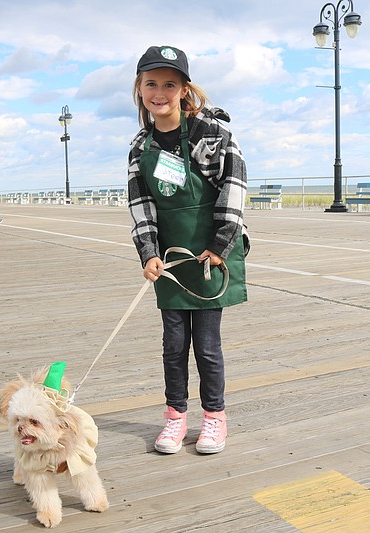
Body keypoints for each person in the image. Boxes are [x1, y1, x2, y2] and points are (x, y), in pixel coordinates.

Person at [127, 45, 249, 455]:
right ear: (140, 89)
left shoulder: (213, 136)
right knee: (173, 344)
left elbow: (234, 190)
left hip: (210, 257)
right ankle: (175, 418)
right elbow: (141, 205)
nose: (158, 92)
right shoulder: (139, 145)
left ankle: (214, 417)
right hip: (171, 259)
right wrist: (148, 252)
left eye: (169, 84)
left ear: (184, 90)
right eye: (151, 84)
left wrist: (218, 246)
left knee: (208, 346)